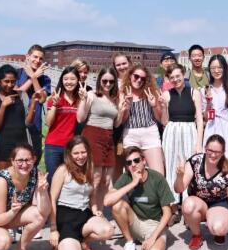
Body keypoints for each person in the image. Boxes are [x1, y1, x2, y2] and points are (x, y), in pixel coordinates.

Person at [173, 134, 228, 250]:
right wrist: (179, 176)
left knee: (218, 228)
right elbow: (178, 189)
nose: (213, 155)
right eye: (210, 150)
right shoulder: (195, 161)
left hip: (219, 204)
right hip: (199, 203)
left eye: (217, 152)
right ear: (205, 148)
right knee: (188, 206)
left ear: (223, 153)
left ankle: (219, 226)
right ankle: (197, 235)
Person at [49, 136, 114, 250]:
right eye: (76, 153)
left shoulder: (89, 168)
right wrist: (53, 229)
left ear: (88, 152)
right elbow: (52, 199)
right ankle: (64, 244)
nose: (80, 156)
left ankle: (82, 242)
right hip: (66, 220)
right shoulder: (63, 170)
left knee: (108, 231)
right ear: (69, 154)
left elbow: (92, 195)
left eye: (83, 152)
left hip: (84, 216)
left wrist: (95, 210)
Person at [105, 147, 174, 250]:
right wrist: (133, 183)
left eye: (136, 160)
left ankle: (150, 240)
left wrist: (152, 238)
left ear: (144, 161)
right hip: (136, 222)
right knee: (117, 206)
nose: (133, 164)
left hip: (155, 225)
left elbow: (167, 213)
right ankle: (129, 242)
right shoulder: (127, 177)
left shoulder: (157, 178)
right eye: (129, 163)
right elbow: (107, 201)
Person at [77, 67, 126, 210]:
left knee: (107, 179)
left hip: (109, 138)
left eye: (111, 81)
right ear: (99, 80)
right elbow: (80, 118)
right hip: (93, 135)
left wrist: (121, 110)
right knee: (96, 178)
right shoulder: (91, 95)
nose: (108, 84)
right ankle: (88, 210)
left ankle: (99, 211)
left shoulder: (115, 99)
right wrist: (83, 100)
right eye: (104, 81)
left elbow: (116, 124)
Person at [160, 64, 204, 214]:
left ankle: (187, 206)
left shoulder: (194, 92)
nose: (175, 79)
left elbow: (199, 119)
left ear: (183, 75)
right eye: (172, 77)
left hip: (189, 130)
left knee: (189, 167)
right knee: (171, 167)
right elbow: (164, 121)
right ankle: (173, 207)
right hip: (172, 132)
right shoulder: (166, 94)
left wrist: (199, 143)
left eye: (178, 76)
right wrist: (164, 107)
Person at [201, 55, 228, 191]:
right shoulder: (206, 89)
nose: (216, 70)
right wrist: (208, 102)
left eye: (219, 67)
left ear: (224, 68)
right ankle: (210, 190)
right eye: (213, 68)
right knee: (211, 159)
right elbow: (206, 117)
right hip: (212, 127)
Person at [0, 64, 41, 170]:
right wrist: (3, 106)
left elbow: (28, 122)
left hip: (23, 146)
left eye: (13, 81)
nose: (10, 85)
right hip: (3, 147)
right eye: (6, 81)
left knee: (23, 177)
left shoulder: (22, 95)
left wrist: (33, 104)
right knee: (4, 178)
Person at [119, 64, 165, 175]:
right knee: (133, 173)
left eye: (143, 78)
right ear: (130, 76)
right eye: (136, 76)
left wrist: (154, 105)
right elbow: (122, 121)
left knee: (158, 173)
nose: (139, 80)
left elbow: (160, 119)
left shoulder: (151, 92)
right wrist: (127, 107)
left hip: (150, 133)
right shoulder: (122, 93)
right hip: (130, 134)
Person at [44, 66, 81, 184]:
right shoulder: (55, 98)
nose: (69, 82)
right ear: (61, 80)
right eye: (66, 79)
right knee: (52, 179)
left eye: (72, 79)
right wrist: (55, 105)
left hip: (71, 147)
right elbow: (48, 123)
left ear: (78, 81)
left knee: (69, 181)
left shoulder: (80, 99)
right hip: (53, 146)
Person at [16, 44, 52, 164]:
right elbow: (16, 96)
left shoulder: (45, 79)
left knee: (33, 162)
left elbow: (41, 99)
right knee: (16, 163)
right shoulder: (17, 74)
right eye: (35, 57)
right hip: (16, 125)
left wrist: (34, 78)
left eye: (41, 58)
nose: (37, 60)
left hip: (35, 127)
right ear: (27, 56)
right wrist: (33, 77)